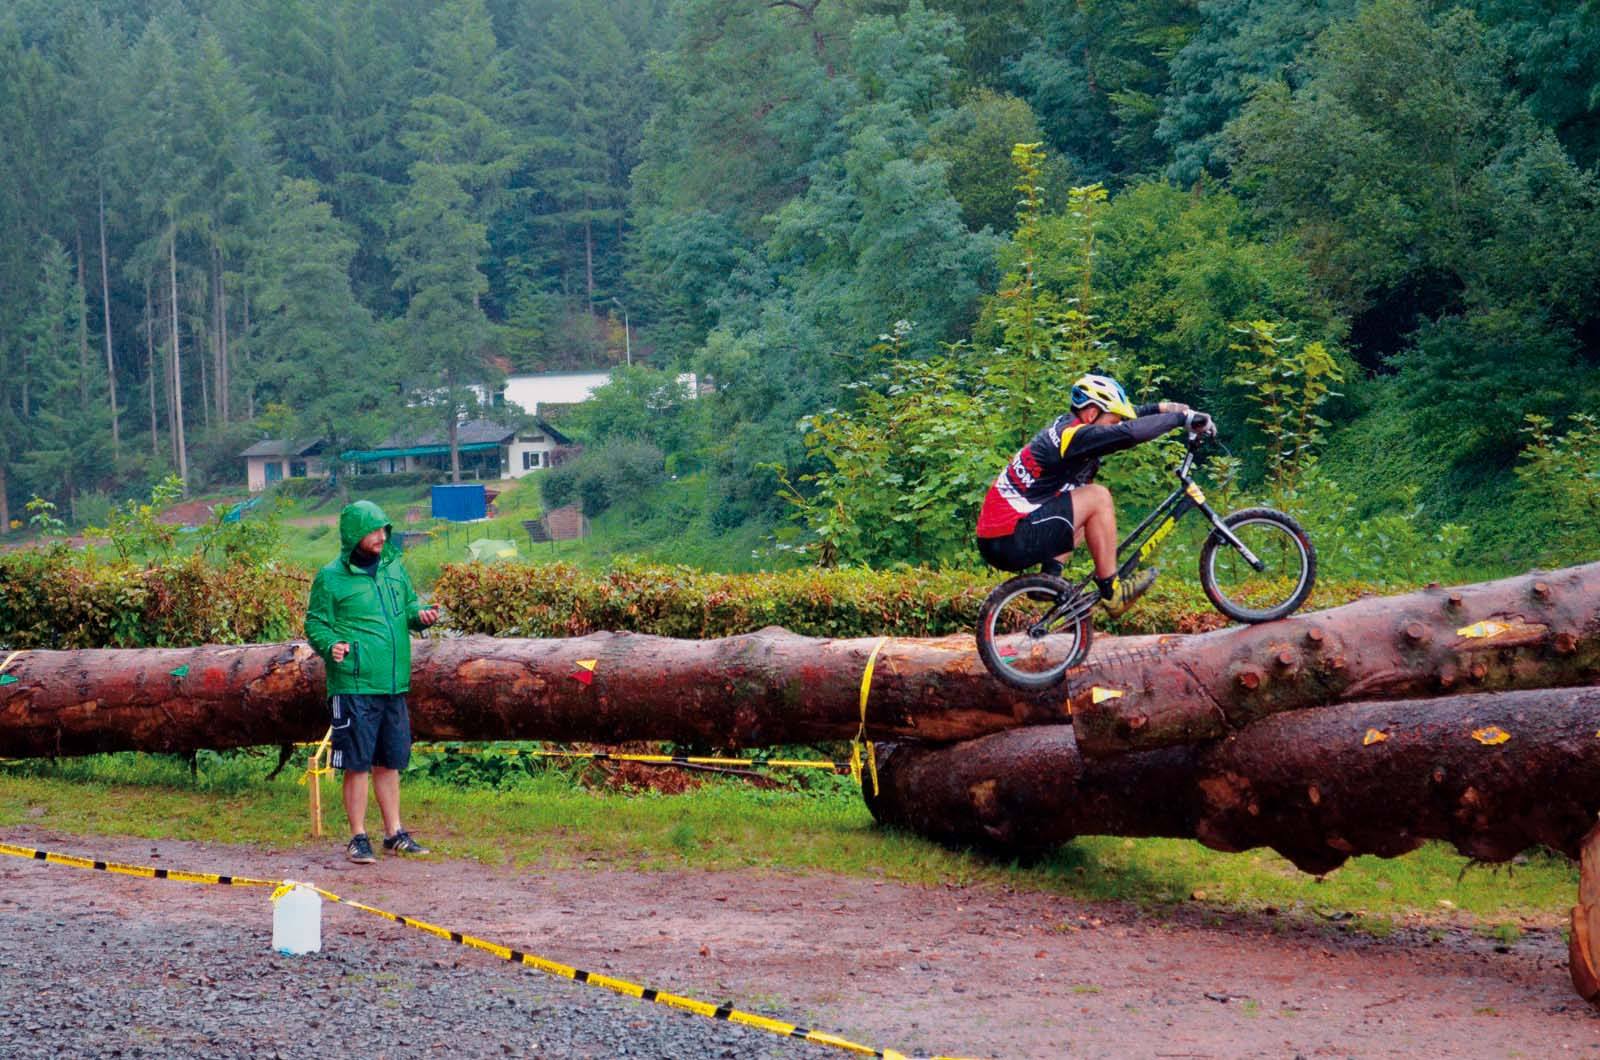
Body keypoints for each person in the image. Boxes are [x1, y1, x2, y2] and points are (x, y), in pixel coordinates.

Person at [975, 372, 1212, 615]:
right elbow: (1128, 433)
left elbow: (1127, 419)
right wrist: (1180, 419)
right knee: (1097, 497)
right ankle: (1113, 592)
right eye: (1112, 421)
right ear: (1091, 414)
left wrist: (1165, 408)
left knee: (1078, 501)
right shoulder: (1073, 436)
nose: (1116, 426)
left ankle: (1047, 582)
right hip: (1009, 539)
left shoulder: (1070, 427)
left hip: (1000, 538)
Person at [305, 499, 440, 864]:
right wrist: (330, 644)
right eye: (373, 531)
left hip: (393, 683)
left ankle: (394, 832)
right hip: (353, 684)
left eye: (384, 529)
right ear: (354, 535)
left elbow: (408, 608)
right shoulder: (330, 577)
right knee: (357, 762)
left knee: (389, 761)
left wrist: (421, 616)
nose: (381, 537)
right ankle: (357, 836)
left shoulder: (395, 569)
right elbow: (315, 623)